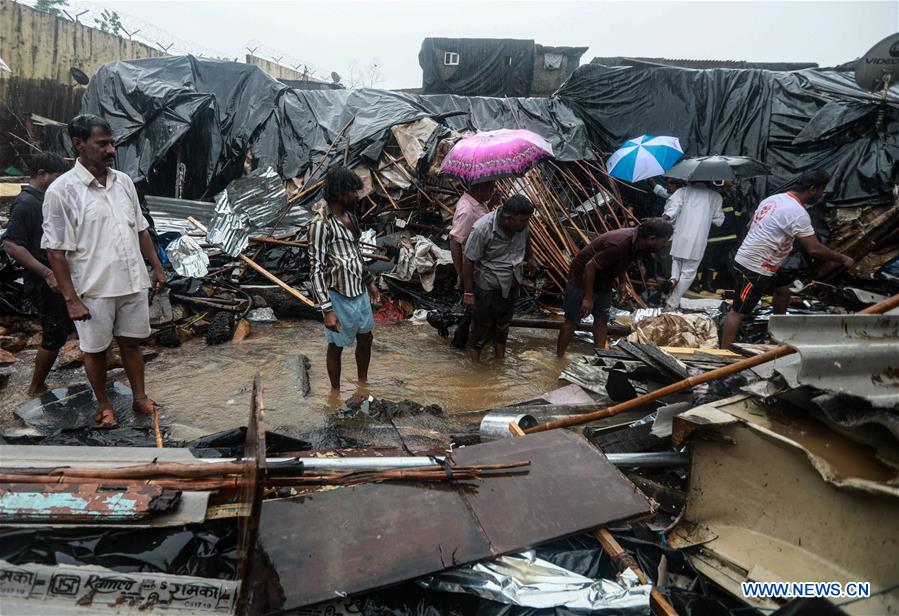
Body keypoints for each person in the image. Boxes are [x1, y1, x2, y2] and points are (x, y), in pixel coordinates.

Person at [42, 114, 166, 427]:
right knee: (95, 350)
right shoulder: (62, 191)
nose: (110, 150)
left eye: (112, 143)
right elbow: (55, 250)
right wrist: (71, 298)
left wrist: (156, 267)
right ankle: (104, 405)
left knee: (132, 343)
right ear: (79, 144)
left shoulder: (123, 182)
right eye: (102, 144)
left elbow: (140, 230)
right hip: (93, 289)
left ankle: (139, 399)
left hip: (132, 281)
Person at [720, 170, 854, 349]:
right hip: (754, 269)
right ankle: (724, 356)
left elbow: (750, 224)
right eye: (822, 190)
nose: (822, 195)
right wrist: (842, 258)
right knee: (737, 312)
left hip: (756, 261)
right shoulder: (798, 213)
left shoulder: (774, 199)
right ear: (812, 189)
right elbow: (813, 249)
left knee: (783, 290)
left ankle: (776, 334)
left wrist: (780, 243)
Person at [2, 153, 72, 395]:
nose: (61, 184)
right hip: (45, 281)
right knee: (53, 334)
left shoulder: (47, 200)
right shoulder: (26, 203)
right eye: (57, 178)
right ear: (42, 175)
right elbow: (11, 245)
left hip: (60, 276)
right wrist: (46, 273)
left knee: (67, 329)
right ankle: (35, 387)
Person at [308, 166, 380, 390]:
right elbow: (316, 269)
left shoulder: (350, 217)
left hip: (359, 290)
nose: (355, 196)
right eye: (351, 191)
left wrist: (369, 282)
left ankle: (362, 384)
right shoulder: (320, 225)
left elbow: (355, 254)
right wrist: (327, 310)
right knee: (336, 345)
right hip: (338, 295)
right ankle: (335, 392)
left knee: (366, 338)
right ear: (339, 192)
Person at [556, 218, 673, 356]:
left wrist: (623, 283)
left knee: (601, 320)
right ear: (652, 238)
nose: (664, 245)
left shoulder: (639, 244)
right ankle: (559, 357)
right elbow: (589, 267)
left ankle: (600, 356)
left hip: (604, 280)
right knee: (572, 321)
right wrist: (588, 297)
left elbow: (623, 261)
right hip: (582, 279)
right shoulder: (619, 243)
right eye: (664, 241)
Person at [462, 195, 536, 363]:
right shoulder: (482, 228)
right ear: (508, 219)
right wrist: (468, 293)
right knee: (480, 331)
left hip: (512, 283)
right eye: (523, 220)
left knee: (502, 329)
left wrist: (531, 257)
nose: (526, 223)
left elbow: (527, 234)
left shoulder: (521, 226)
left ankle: (499, 365)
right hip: (487, 287)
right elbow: (469, 260)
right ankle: (474, 371)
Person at [663, 182, 725, 310]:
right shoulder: (715, 196)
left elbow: (671, 212)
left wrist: (663, 218)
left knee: (677, 261)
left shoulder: (682, 191)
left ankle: (673, 279)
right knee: (688, 273)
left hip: (680, 237)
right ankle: (672, 302)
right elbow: (719, 221)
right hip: (698, 239)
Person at [449, 181, 499, 288]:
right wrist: (461, 275)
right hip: (474, 267)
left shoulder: (476, 200)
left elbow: (479, 219)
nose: (493, 191)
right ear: (481, 187)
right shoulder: (467, 211)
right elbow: (455, 242)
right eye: (491, 187)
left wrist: (491, 204)